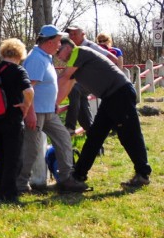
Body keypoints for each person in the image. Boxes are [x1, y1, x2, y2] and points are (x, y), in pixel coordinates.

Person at [57, 38, 152, 188]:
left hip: (120, 94)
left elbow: (63, 78)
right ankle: (78, 176)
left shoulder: (78, 52)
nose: (57, 56)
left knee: (129, 134)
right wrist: (55, 103)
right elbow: (67, 84)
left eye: (59, 51)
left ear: (68, 47)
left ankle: (143, 173)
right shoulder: (74, 63)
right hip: (110, 97)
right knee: (95, 135)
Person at [16, 25, 89, 194]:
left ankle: (66, 179)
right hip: (37, 112)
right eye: (57, 42)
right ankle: (20, 184)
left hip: (48, 111)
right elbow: (28, 89)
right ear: (48, 42)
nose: (59, 46)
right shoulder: (36, 59)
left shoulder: (45, 57)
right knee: (31, 149)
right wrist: (30, 113)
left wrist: (53, 102)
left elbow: (47, 85)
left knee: (63, 139)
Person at [0, 39, 34, 203]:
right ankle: (8, 194)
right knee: (13, 158)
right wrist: (26, 106)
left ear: (4, 52)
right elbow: (29, 90)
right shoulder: (19, 71)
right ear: (20, 54)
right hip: (12, 119)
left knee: (0, 157)